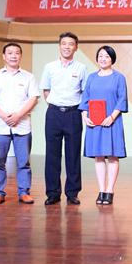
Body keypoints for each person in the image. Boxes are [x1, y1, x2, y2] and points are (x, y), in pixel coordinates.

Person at [0, 43, 39, 206]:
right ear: (4, 56)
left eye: (17, 53)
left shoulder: (29, 77)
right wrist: (3, 116)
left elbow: (33, 99)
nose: (13, 56)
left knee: (24, 162)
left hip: (22, 126)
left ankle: (24, 192)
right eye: (10, 53)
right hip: (0, 126)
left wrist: (18, 116)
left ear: (20, 56)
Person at [40, 32, 88, 206]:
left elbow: (85, 92)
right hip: (53, 114)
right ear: (59, 46)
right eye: (64, 43)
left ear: (76, 47)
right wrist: (56, 105)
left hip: (73, 114)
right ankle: (53, 193)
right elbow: (46, 90)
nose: (67, 47)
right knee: (52, 155)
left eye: (71, 44)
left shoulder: (81, 68)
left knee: (73, 155)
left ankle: (72, 193)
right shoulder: (50, 67)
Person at [79, 46, 128, 205]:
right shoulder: (92, 77)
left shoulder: (119, 77)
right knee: (98, 156)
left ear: (112, 59)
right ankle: (101, 190)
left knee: (113, 156)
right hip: (94, 123)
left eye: (106, 56)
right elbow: (85, 98)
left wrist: (112, 117)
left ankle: (110, 191)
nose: (103, 59)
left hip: (112, 121)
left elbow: (122, 99)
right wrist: (85, 116)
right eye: (100, 56)